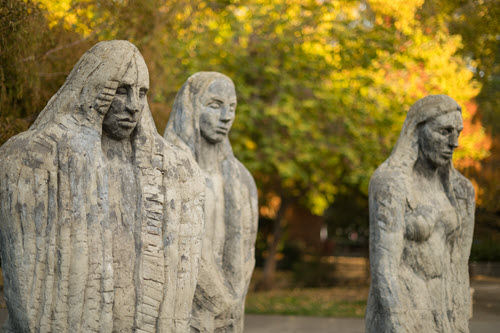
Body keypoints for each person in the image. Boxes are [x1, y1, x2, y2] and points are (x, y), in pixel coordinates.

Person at [0, 40, 204, 332]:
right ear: (93, 88)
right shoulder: (31, 159)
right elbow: (26, 286)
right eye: (121, 90)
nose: (134, 106)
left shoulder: (176, 170)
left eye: (142, 93)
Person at [365, 95, 475, 332]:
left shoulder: (461, 190)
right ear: (417, 130)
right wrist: (396, 323)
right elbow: (384, 267)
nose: (454, 142)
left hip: (444, 309)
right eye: (444, 131)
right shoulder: (390, 183)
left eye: (458, 132)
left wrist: (460, 320)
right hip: (406, 307)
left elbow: (459, 264)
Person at [164, 72, 258, 332]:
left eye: (232, 108)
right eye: (215, 106)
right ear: (191, 107)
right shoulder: (166, 170)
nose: (227, 116)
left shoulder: (242, 180)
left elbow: (247, 253)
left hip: (229, 314)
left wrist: (232, 300)